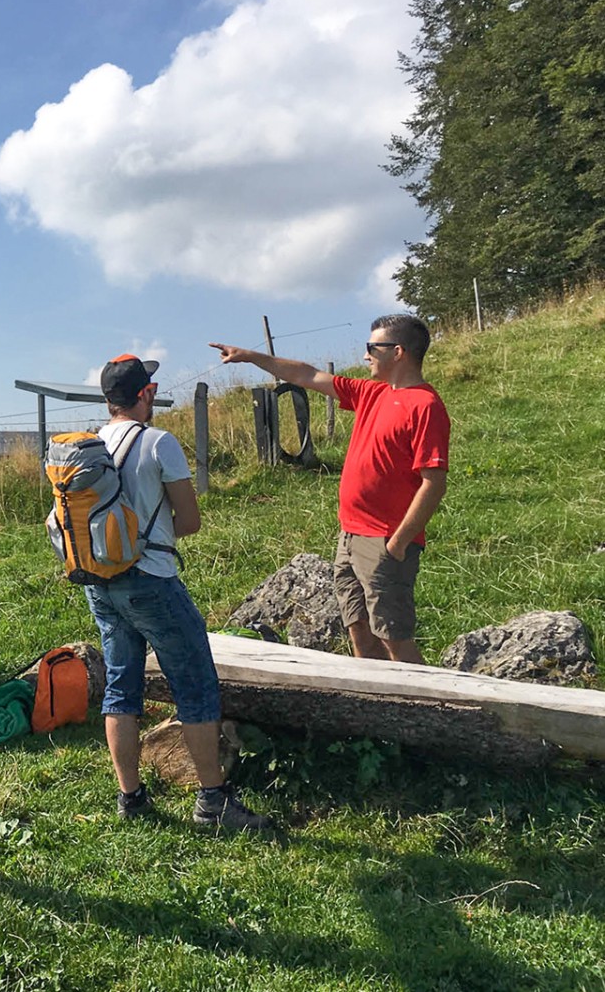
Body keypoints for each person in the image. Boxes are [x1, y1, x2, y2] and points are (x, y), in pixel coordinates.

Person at [85, 355, 271, 830]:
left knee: (121, 685)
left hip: (98, 581)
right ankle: (213, 801)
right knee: (195, 684)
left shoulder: (85, 447)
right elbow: (189, 521)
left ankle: (130, 797)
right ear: (146, 393)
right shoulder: (158, 443)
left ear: (108, 399)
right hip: (150, 579)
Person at [211, 314, 450, 665]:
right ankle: (375, 708)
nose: (366, 355)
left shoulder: (425, 405)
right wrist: (250, 356)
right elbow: (306, 375)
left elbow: (434, 483)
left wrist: (398, 543)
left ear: (397, 352)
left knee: (394, 638)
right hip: (350, 536)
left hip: (385, 541)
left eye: (372, 347)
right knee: (360, 634)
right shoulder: (373, 393)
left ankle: (425, 713)